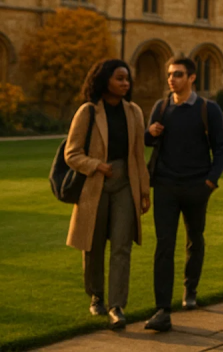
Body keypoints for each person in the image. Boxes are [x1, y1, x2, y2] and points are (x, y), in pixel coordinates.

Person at [144, 57, 223, 333]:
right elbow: (148, 141)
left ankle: (189, 291)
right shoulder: (161, 106)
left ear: (192, 77)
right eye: (169, 74)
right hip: (165, 186)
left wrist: (209, 182)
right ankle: (162, 309)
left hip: (196, 187)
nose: (172, 79)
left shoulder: (208, 109)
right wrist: (149, 133)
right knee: (164, 246)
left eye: (178, 74)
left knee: (195, 240)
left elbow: (222, 148)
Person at [64, 59, 150, 330]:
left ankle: (116, 306)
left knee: (122, 246)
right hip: (96, 185)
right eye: (120, 78)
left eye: (127, 79)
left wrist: (144, 192)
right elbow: (72, 153)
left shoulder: (134, 111)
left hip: (126, 183)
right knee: (93, 244)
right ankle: (96, 296)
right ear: (105, 81)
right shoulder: (88, 112)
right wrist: (96, 165)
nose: (126, 83)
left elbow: (138, 156)